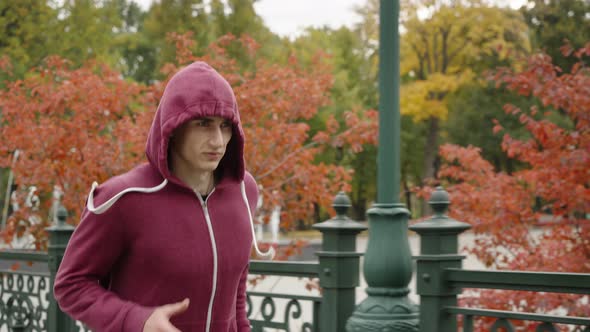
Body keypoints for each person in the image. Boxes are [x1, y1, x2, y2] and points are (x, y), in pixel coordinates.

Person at [54, 61, 273, 332]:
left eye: (225, 125)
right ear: (173, 125)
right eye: (203, 124)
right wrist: (137, 320)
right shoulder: (122, 198)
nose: (217, 140)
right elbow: (71, 285)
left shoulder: (243, 190)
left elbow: (235, 288)